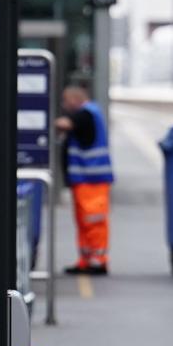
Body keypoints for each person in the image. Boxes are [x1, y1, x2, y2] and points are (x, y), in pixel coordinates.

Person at [56, 83, 113, 275]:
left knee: (93, 221)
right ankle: (87, 259)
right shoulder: (90, 113)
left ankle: (97, 260)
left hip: (92, 178)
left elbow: (65, 124)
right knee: (84, 222)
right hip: (86, 179)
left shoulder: (86, 113)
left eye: (66, 100)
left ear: (74, 99)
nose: (64, 105)